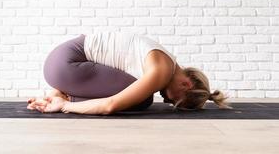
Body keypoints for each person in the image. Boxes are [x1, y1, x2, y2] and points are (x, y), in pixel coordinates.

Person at [27, 31, 232, 115]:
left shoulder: (165, 59)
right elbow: (110, 105)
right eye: (174, 101)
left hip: (62, 62)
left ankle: (61, 91)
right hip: (67, 64)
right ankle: (62, 96)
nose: (167, 101)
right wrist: (66, 107)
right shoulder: (162, 69)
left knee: (140, 95)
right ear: (186, 85)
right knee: (142, 100)